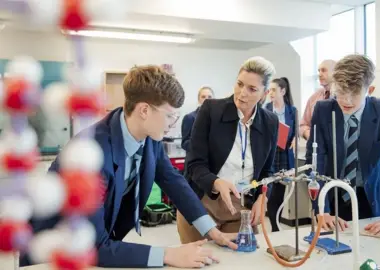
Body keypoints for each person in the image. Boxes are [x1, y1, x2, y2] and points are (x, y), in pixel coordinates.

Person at [22, 65, 237, 269]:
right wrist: (168, 255)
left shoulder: (148, 135)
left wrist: (211, 230)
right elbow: (94, 247)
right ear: (144, 110)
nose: (174, 123)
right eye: (170, 115)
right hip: (52, 253)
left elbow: (172, 179)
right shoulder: (93, 156)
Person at [177, 57, 279, 243]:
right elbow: (194, 164)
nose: (242, 93)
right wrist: (216, 182)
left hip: (241, 206)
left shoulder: (270, 122)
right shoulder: (211, 110)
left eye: (252, 89)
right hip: (203, 202)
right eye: (239, 84)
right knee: (202, 260)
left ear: (264, 93)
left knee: (242, 259)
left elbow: (267, 172)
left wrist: (262, 197)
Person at [306, 54, 380, 237]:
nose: (346, 100)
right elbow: (315, 161)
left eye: (355, 94)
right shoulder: (322, 110)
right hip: (333, 196)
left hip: (371, 198)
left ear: (370, 89)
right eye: (341, 92)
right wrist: (321, 209)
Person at [264, 77, 297, 232]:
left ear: (283, 91)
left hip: (284, 155)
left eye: (274, 90)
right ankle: (275, 227)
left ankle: (276, 224)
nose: (271, 93)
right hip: (270, 154)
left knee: (280, 192)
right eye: (269, 90)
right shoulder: (266, 109)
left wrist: (296, 138)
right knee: (271, 192)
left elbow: (296, 131)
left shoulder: (292, 111)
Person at [299, 59, 336, 140]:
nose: (319, 74)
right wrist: (310, 136)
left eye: (323, 70)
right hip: (316, 149)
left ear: (335, 72)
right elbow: (303, 125)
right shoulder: (314, 98)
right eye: (319, 71)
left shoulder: (344, 98)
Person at [181, 86, 214, 152]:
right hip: (196, 160)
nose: (206, 99)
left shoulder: (216, 118)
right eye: (203, 97)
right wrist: (201, 144)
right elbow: (184, 143)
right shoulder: (190, 117)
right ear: (198, 99)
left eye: (209, 97)